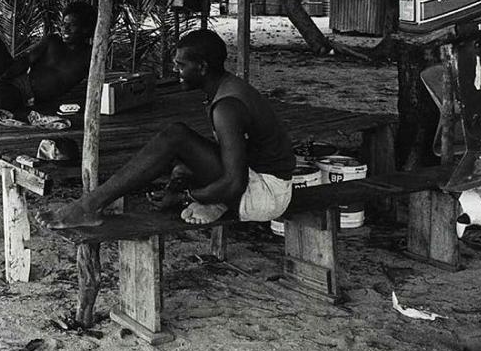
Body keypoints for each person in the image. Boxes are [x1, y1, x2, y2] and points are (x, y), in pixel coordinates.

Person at [40, 29, 295, 228]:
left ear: (202, 67)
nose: (176, 70)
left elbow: (234, 182)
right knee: (181, 158)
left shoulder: (227, 107)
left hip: (266, 195)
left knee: (176, 135)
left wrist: (186, 197)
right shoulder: (227, 88)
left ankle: (89, 206)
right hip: (258, 178)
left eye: (181, 65)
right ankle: (93, 204)